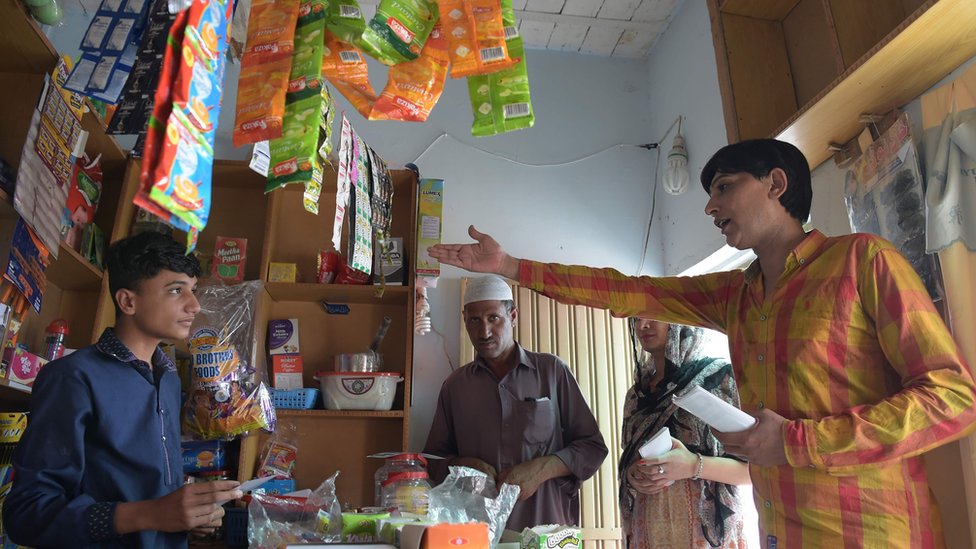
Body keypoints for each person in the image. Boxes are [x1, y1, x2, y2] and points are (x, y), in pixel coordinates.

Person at [427, 139, 976, 548]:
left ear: (776, 185)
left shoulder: (862, 261)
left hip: (875, 531)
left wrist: (798, 443)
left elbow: (954, 399)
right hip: (780, 532)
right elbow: (629, 290)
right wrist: (513, 266)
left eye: (723, 188)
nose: (710, 208)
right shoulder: (735, 293)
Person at [3, 231, 243, 547]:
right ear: (128, 301)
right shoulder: (72, 377)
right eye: (175, 290)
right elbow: (27, 515)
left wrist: (188, 518)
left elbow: (154, 497)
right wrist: (153, 515)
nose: (195, 305)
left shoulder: (168, 379)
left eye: (193, 290)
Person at [423, 275, 609, 531]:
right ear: (464, 320)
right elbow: (433, 460)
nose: (484, 331)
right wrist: (463, 464)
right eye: (474, 320)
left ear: (512, 316)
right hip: (477, 533)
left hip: (546, 527)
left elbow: (592, 448)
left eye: (493, 318)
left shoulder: (552, 372)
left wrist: (542, 468)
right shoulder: (455, 386)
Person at [621, 319, 749, 549]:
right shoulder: (636, 395)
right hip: (649, 531)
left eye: (653, 315)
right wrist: (633, 474)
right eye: (636, 318)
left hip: (705, 536)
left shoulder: (720, 379)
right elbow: (629, 460)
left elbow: (755, 472)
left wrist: (693, 465)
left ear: (680, 320)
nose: (643, 325)